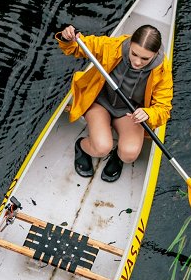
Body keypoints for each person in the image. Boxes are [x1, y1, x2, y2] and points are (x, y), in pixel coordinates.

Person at [56, 24, 173, 182]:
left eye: (145, 58)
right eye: (134, 54)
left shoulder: (163, 70)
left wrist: (148, 113)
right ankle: (81, 146)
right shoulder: (113, 46)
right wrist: (66, 37)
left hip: (129, 111)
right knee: (101, 148)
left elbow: (163, 109)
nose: (137, 62)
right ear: (130, 44)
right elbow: (77, 47)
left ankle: (117, 155)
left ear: (155, 54)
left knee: (129, 154)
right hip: (100, 103)